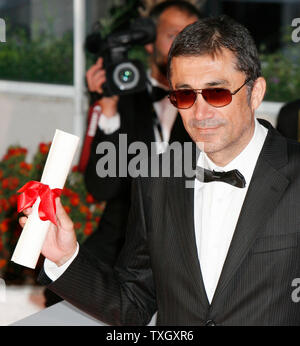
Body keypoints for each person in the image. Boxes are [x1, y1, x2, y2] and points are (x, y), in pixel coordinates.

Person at [20, 15, 300, 326]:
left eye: (216, 92)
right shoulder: (157, 178)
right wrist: (65, 257)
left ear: (255, 92)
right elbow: (134, 302)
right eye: (184, 95)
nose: (200, 112)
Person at [82, 0, 201, 267]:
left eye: (192, 38)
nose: (183, 47)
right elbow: (101, 189)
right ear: (148, 41)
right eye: (173, 36)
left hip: (187, 255)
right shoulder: (122, 96)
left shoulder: (209, 105)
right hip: (120, 249)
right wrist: (108, 109)